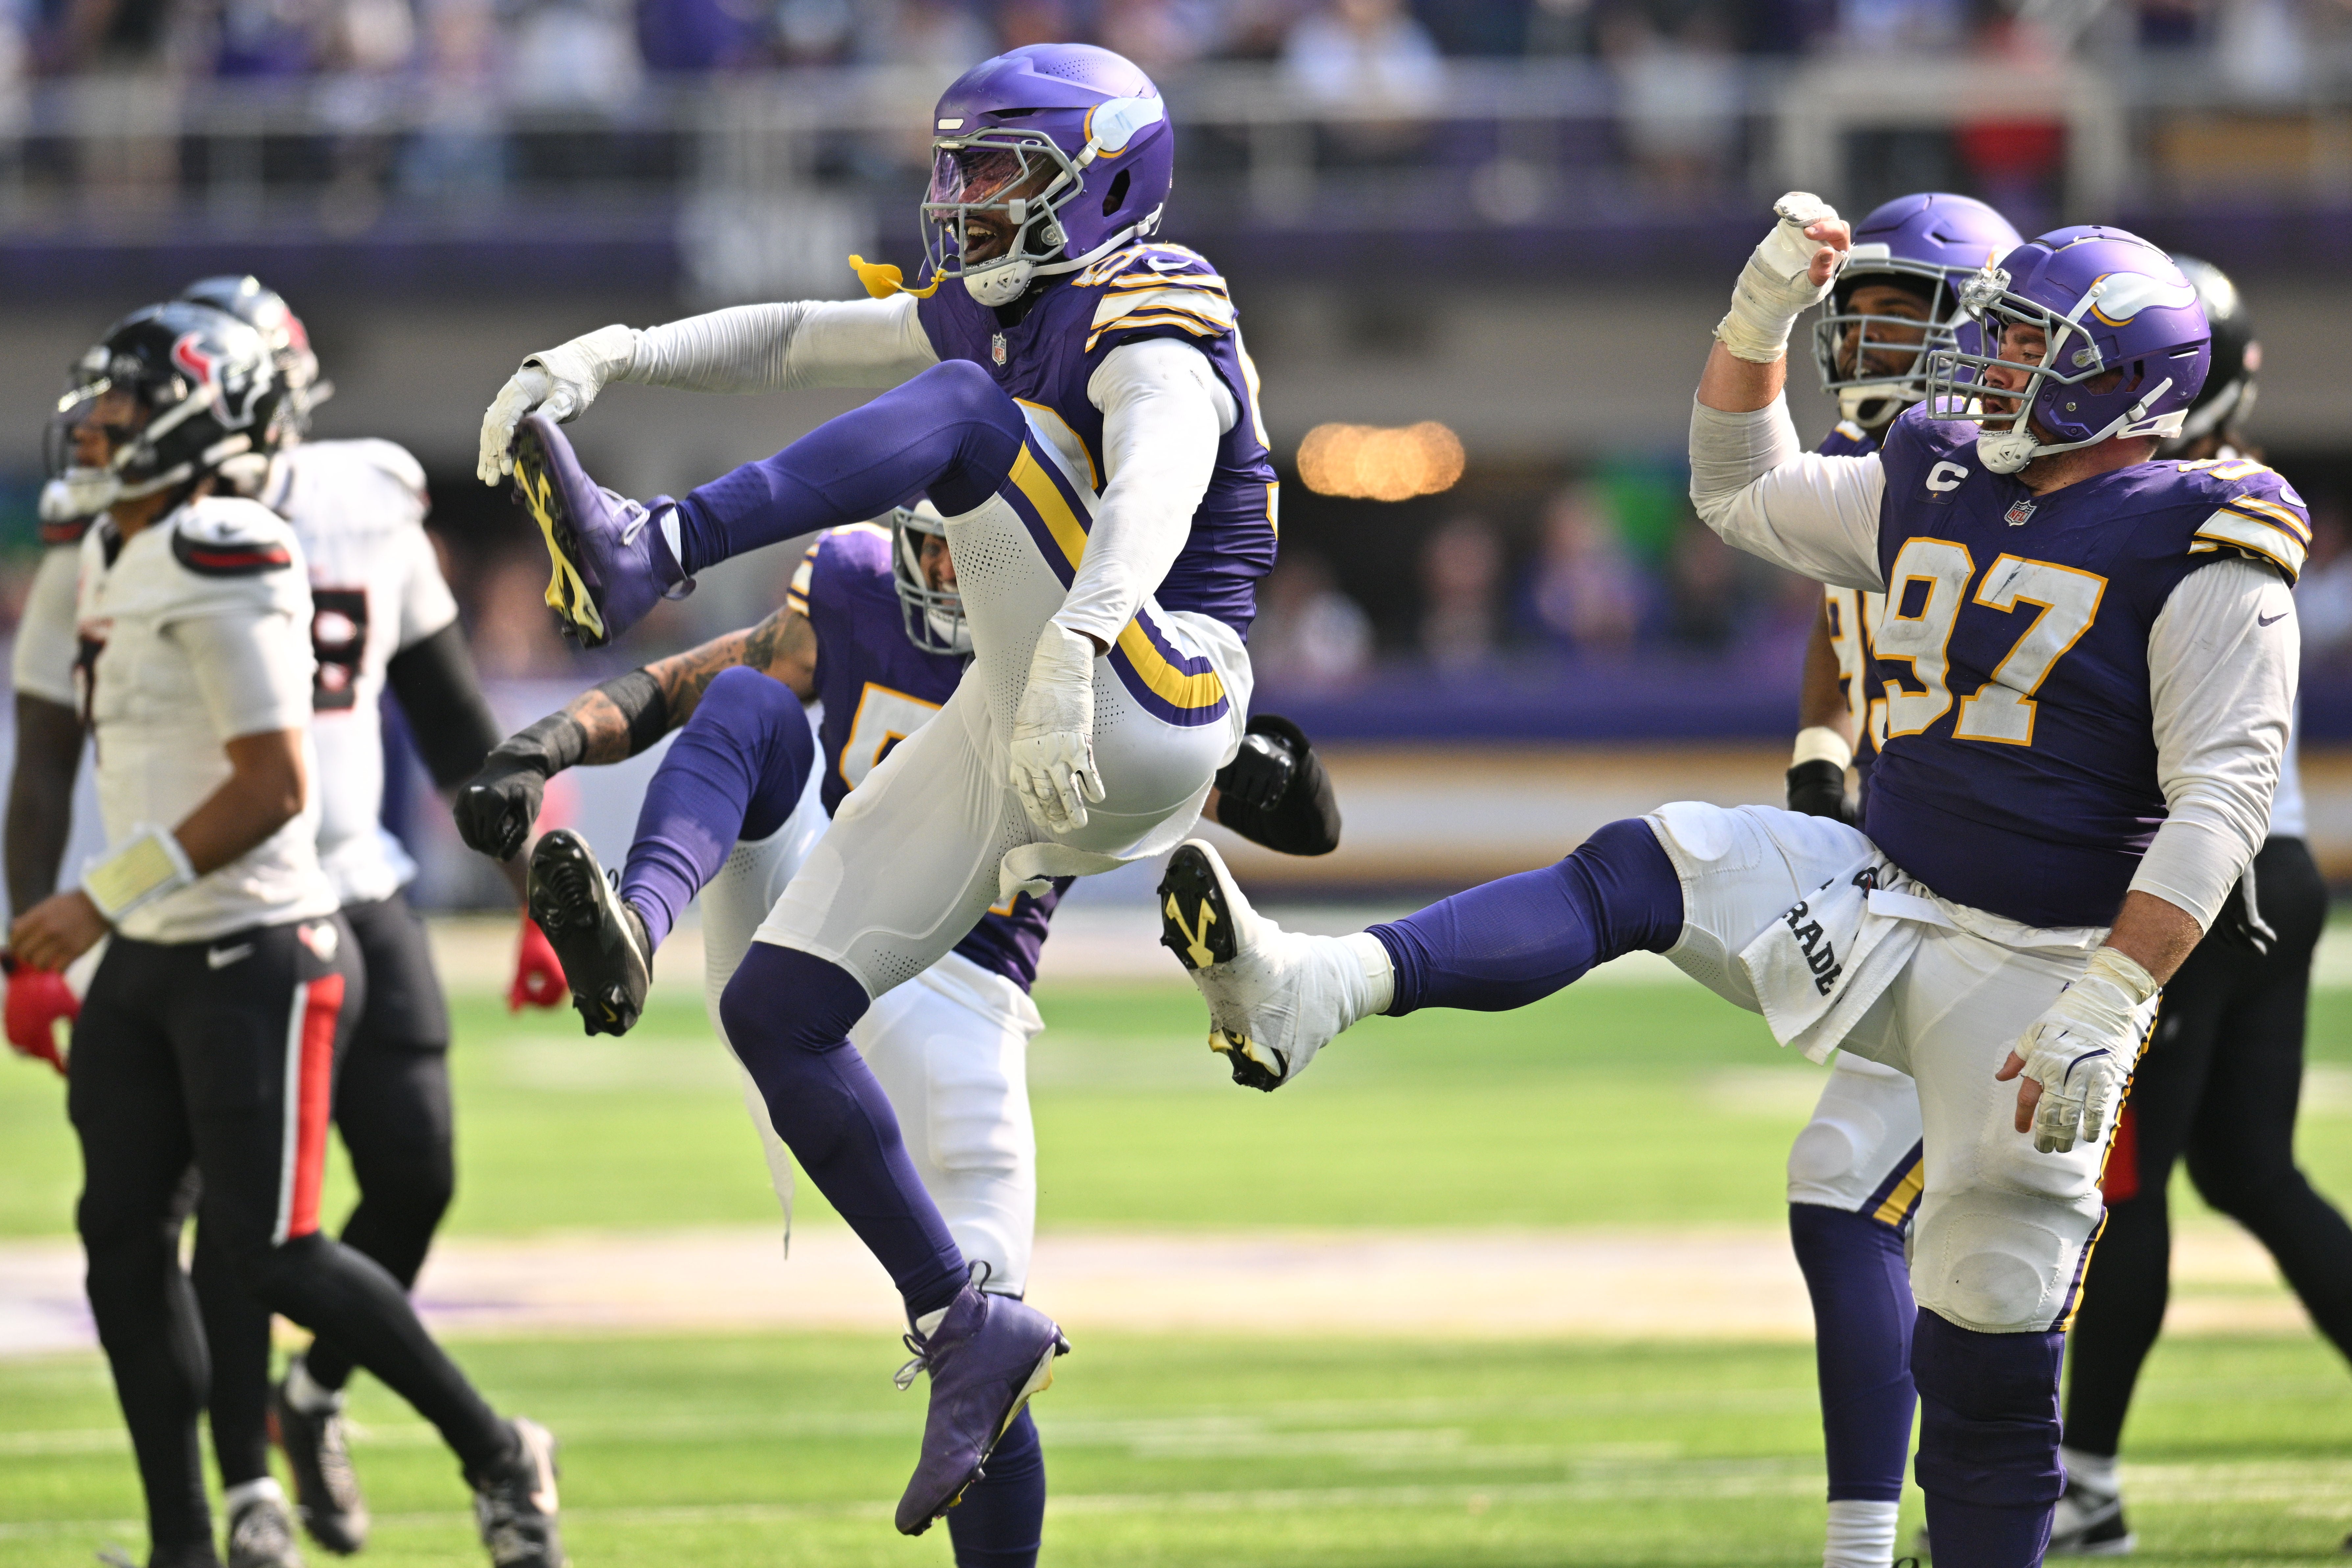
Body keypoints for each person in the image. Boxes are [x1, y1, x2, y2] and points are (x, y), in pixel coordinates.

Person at [1152, 201, 2303, 1566]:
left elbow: (2221, 802)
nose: (1986, 366)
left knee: (1986, 1355)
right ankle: (1310, 987)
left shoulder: (2207, 531)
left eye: (2025, 347)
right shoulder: (1938, 468)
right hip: (1889, 890)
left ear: (2118, 383)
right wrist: (1755, 321)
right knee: (1650, 864)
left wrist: (2115, 994)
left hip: (2044, 969)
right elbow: (1736, 487)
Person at [471, 40, 1279, 1536]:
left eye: (999, 170)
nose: (962, 199)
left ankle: (651, 543)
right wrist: (620, 352)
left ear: (1104, 176)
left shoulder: (1153, 300)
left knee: (970, 416)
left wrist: (1084, 637)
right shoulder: (997, 315)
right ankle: (960, 1315)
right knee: (774, 1011)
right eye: (955, 166)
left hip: (1157, 679)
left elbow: (1161, 465)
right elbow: (800, 337)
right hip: (1025, 705)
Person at [453, 503, 1336, 1568]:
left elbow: (1311, 822)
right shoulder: (854, 587)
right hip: (822, 934)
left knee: (985, 1364)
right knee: (753, 704)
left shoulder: (1093, 631)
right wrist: (539, 746)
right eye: (936, 541)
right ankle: (635, 931)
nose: (950, 570)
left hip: (967, 1006)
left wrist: (1236, 751)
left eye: (977, 546)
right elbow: (687, 686)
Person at [4, 276, 567, 1567]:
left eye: (127, 409)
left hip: (279, 919)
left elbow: (313, 768)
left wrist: (533, 893)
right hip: (159, 937)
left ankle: (459, 1440)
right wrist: (43, 928)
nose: (93, 430)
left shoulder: (271, 530)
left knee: (296, 1234)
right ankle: (205, 1525)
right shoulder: (109, 541)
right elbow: (46, 748)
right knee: (127, 1239)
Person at [2043, 255, 2352, 1557]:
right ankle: (2087, 1477)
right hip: (2275, 866)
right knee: (2249, 1169)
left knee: (2127, 1189)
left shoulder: (2170, 502)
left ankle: (2086, 1483)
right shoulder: (2232, 492)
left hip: (2199, 875)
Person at [1778, 191, 2022, 1568]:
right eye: (1856, 312)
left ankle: (1906, 1538)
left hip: (2027, 904)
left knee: (1954, 1241)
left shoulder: (2028, 487)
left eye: (1900, 314)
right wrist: (1821, 753)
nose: (1867, 336)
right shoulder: (1864, 466)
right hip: (1926, 875)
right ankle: (1936, 1533)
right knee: (1959, 1249)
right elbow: (1835, 631)